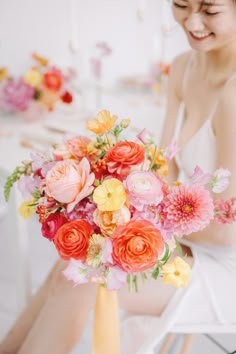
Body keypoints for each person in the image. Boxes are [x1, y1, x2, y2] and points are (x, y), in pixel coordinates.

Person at [1, 0, 236, 352]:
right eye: (181, 5)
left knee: (85, 280)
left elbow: (224, 229)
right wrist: (114, 210)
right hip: (187, 241)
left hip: (224, 262)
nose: (192, 21)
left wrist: (132, 224)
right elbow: (163, 171)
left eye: (210, 11)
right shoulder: (183, 67)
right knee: (74, 265)